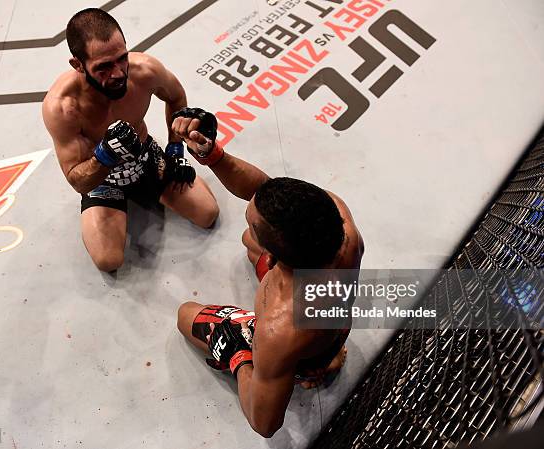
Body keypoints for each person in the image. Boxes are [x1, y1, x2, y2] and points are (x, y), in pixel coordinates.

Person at [174, 107, 365, 438]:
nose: (248, 217)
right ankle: (326, 356)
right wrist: (214, 156)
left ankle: (297, 364)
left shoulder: (279, 327)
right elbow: (263, 188)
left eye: (253, 220)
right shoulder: (338, 222)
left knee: (184, 316)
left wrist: (238, 355)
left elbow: (265, 423)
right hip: (332, 327)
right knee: (249, 242)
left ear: (276, 259)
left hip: (298, 350)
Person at [42, 8, 219, 272]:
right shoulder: (63, 107)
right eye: (102, 67)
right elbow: (77, 179)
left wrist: (174, 149)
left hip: (146, 157)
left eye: (121, 58)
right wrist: (105, 155)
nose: (117, 73)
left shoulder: (145, 71)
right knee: (108, 260)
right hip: (103, 180)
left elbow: (176, 98)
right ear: (78, 65)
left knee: (207, 213)